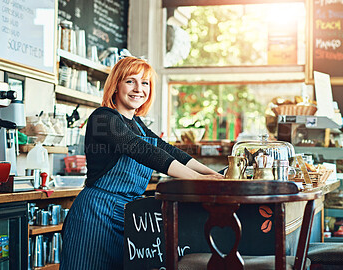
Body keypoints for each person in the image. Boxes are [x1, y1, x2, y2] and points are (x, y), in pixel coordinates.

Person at [60, 56, 223, 270]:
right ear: (116, 85)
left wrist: (212, 174)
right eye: (130, 81)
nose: (139, 89)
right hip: (96, 215)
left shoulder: (136, 123)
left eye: (144, 83)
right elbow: (143, 150)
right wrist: (201, 180)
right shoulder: (103, 118)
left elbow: (166, 149)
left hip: (127, 214)